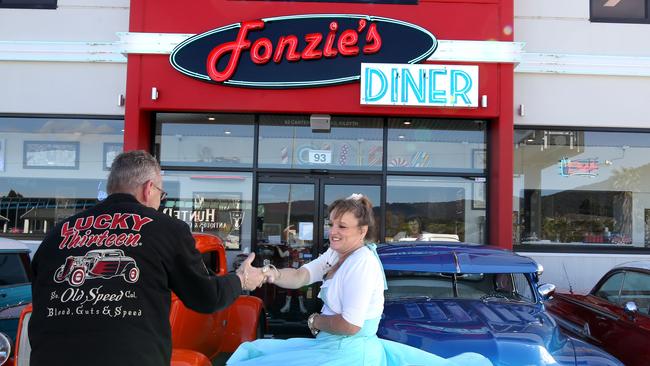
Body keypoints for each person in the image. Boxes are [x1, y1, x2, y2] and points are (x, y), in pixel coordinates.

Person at [29, 150, 266, 366]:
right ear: (148, 188)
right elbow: (206, 297)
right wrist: (241, 279)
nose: (159, 201)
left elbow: (40, 290)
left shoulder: (59, 232)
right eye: (161, 195)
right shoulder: (167, 229)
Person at [226, 193, 493, 366]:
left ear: (362, 230)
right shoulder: (336, 253)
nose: (333, 232)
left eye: (342, 226)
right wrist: (266, 274)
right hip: (333, 348)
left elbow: (350, 325)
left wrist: (314, 320)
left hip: (348, 355)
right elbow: (300, 275)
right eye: (331, 224)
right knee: (257, 353)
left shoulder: (361, 263)